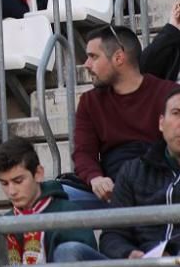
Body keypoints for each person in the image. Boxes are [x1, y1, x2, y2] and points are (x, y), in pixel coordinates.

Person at [68, 25, 177, 208]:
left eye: (93, 57)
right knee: (51, 199)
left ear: (118, 58)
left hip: (162, 181)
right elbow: (84, 152)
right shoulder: (89, 102)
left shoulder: (170, 95)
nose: (86, 64)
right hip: (110, 187)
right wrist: (95, 178)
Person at [84, 87, 180, 259]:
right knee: (70, 252)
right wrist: (129, 253)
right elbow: (112, 234)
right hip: (143, 261)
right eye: (176, 113)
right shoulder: (133, 171)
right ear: (161, 123)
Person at [0, 137, 98, 265]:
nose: (12, 191)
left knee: (68, 251)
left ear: (38, 173)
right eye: (4, 183)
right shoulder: (2, 225)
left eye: (18, 181)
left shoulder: (69, 213)